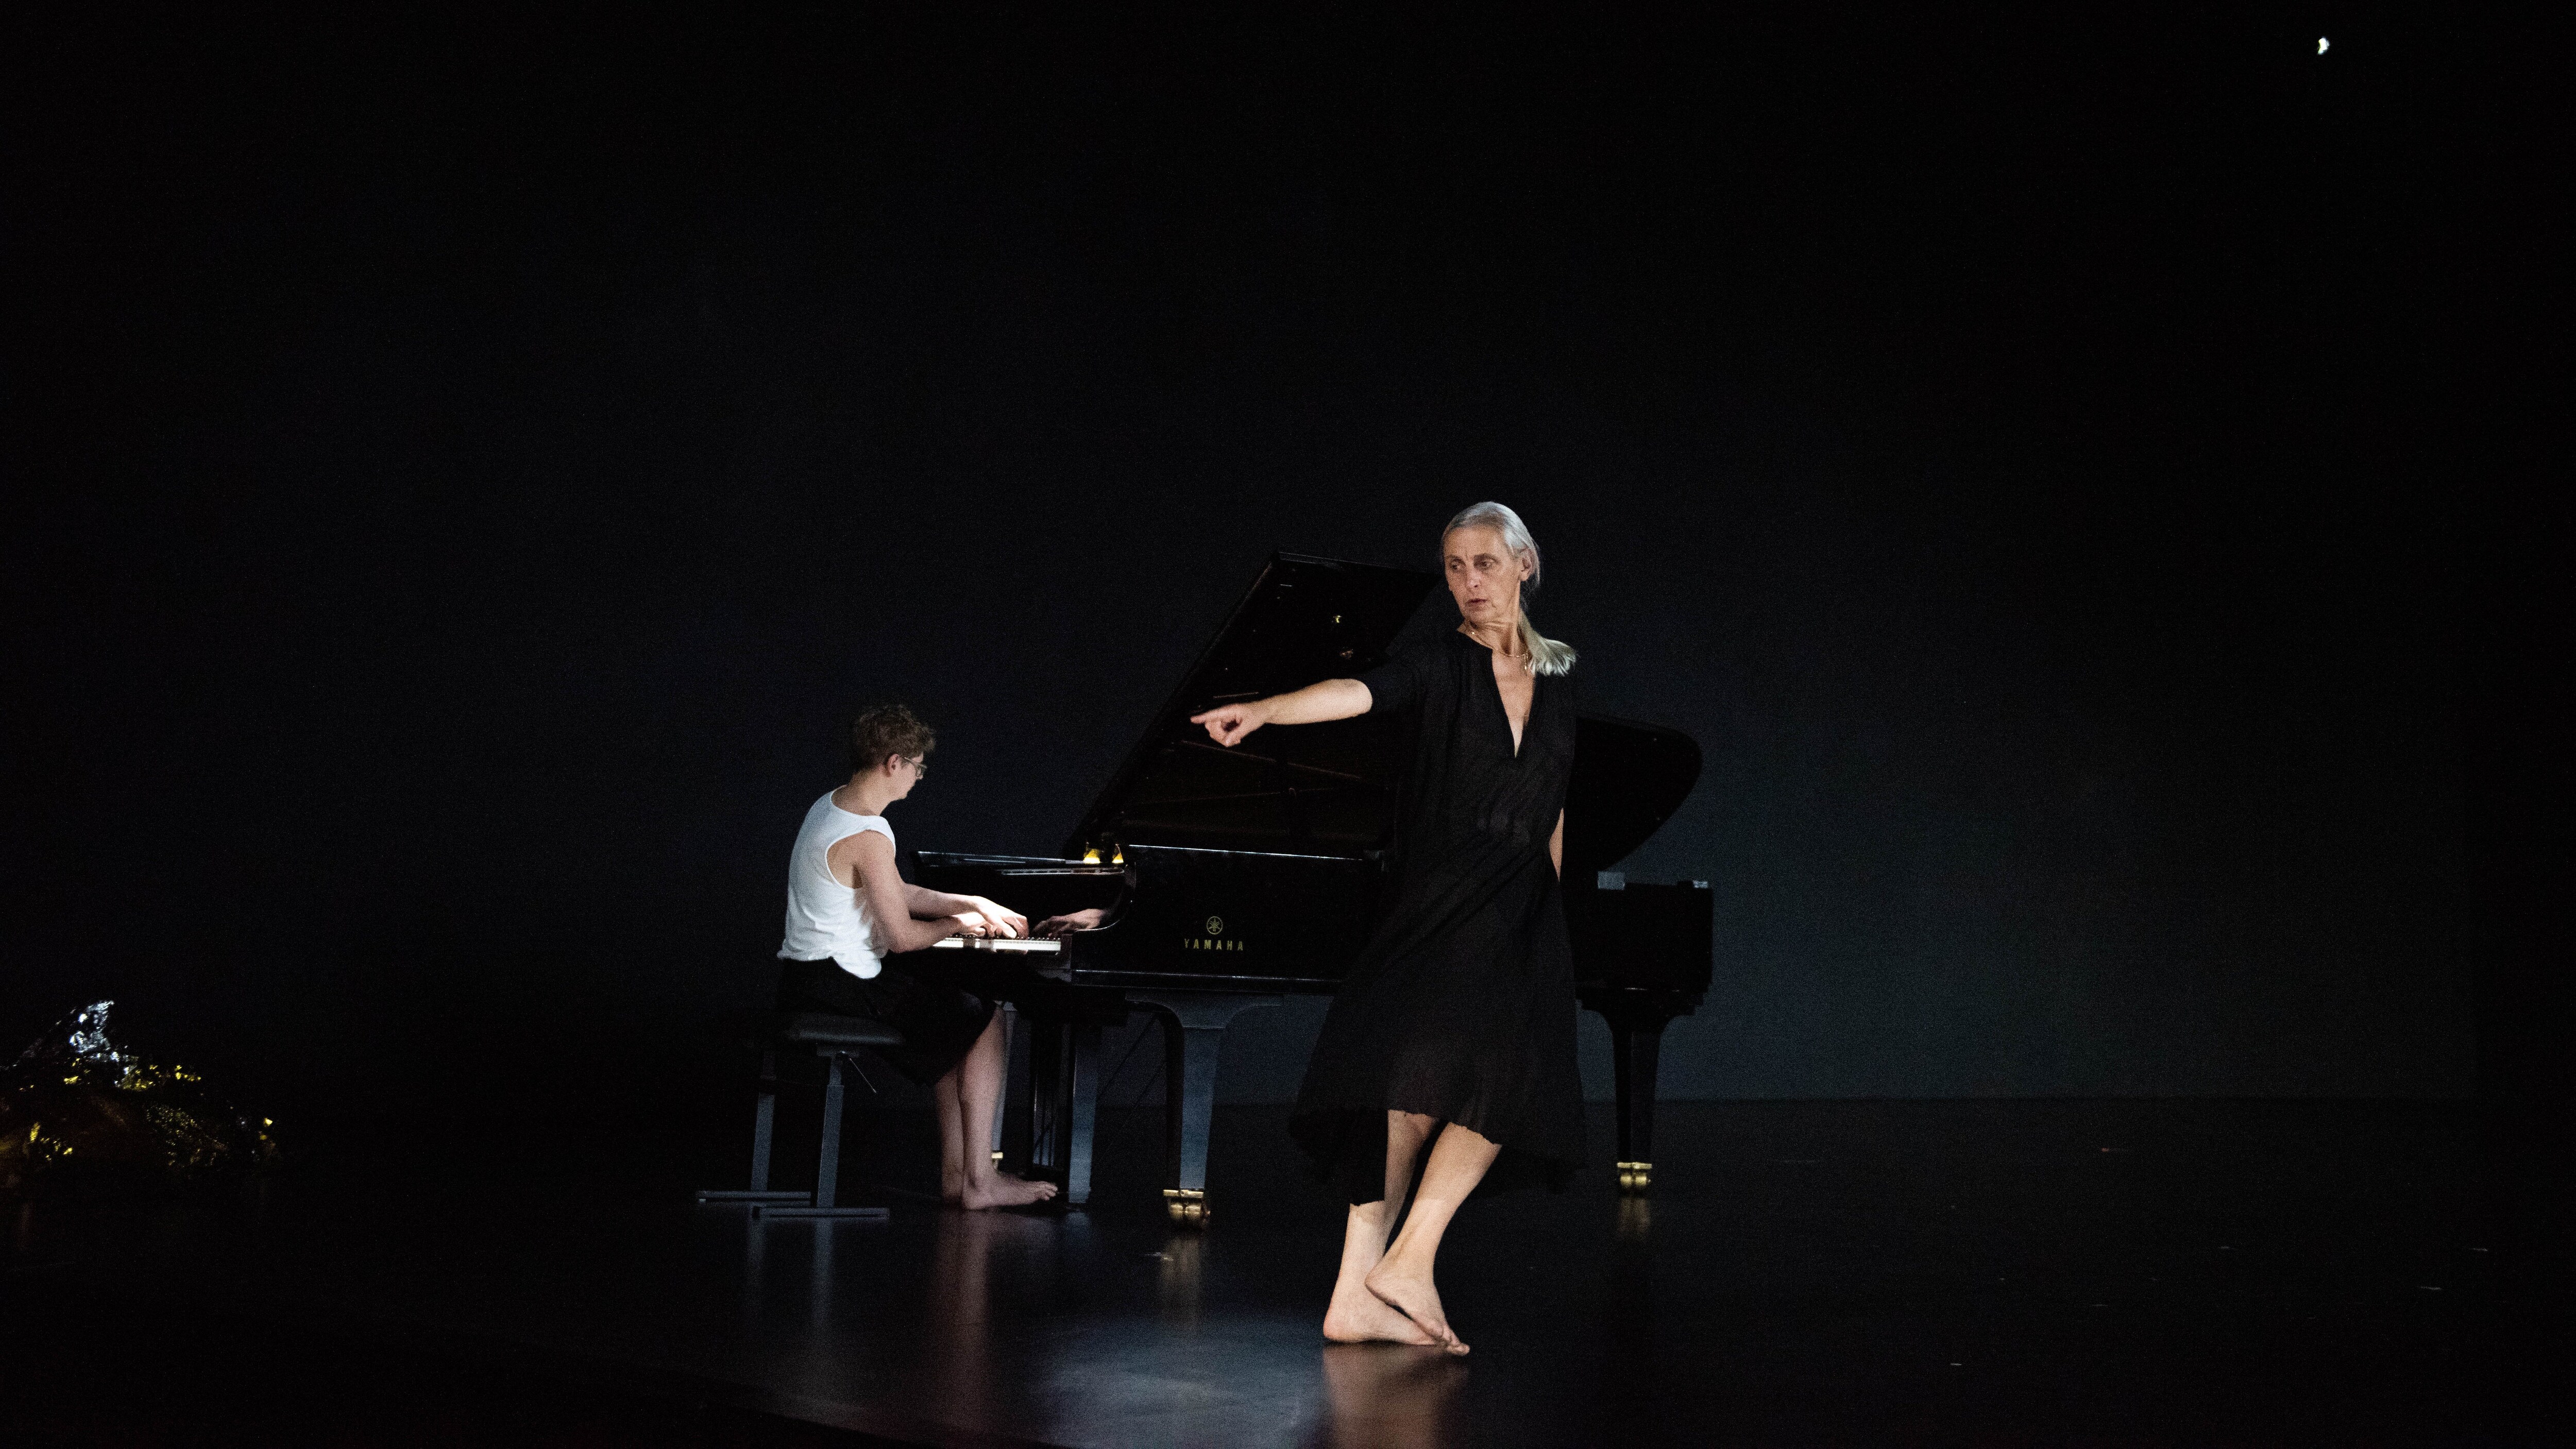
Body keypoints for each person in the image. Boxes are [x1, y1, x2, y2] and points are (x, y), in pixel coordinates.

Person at [1189, 502, 1584, 1355]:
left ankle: (1357, 1292)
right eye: (1452, 566)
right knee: (1458, 1086)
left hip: (1522, 906)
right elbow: (1360, 692)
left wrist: (1552, 910)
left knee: (1445, 1090)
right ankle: (1404, 1263)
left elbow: (1552, 807)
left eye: (1483, 562)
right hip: (1448, 899)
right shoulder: (1438, 663)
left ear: (1526, 564)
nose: (1468, 581)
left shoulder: (1560, 679)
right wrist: (1266, 709)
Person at [777, 703, 1059, 1210]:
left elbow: (895, 889)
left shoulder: (833, 806)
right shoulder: (866, 833)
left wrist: (972, 902)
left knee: (958, 1019)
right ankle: (979, 1180)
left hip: (809, 977)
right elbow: (903, 937)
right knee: (986, 1018)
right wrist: (957, 924)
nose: (917, 777)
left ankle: (962, 1178)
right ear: (892, 762)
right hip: (842, 984)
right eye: (916, 765)